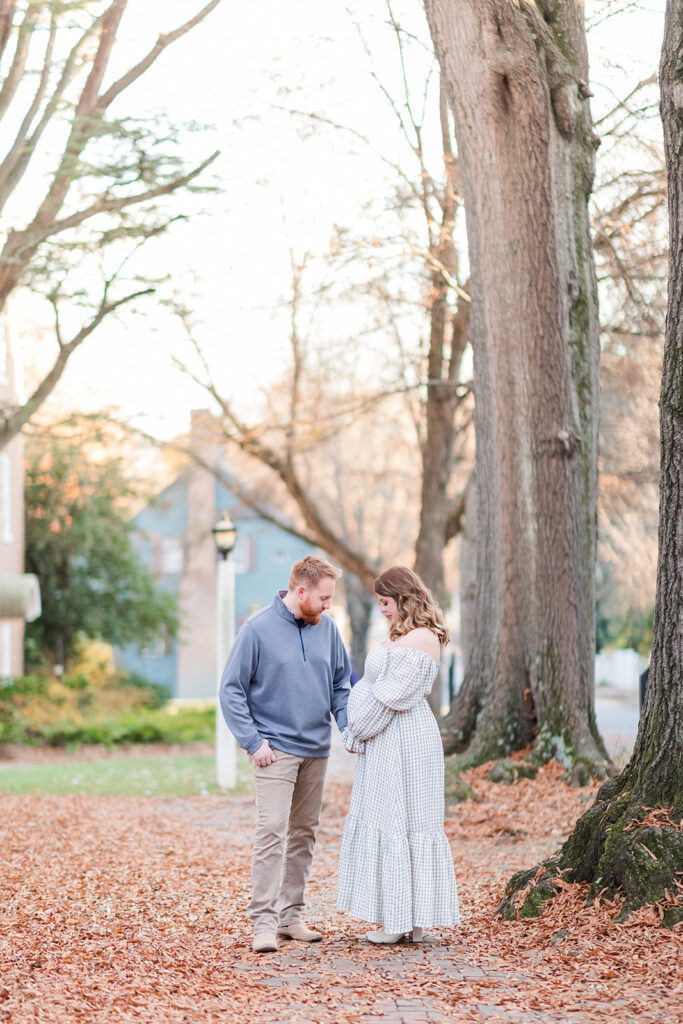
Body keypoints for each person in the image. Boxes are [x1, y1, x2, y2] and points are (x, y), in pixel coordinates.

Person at [220, 555, 351, 954]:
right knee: (271, 831)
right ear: (301, 591)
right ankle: (263, 921)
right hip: (274, 751)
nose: (328, 604)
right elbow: (231, 690)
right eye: (323, 597)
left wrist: (349, 728)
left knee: (304, 834)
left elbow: (341, 684)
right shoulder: (256, 630)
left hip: (317, 749)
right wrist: (253, 742)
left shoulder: (327, 629)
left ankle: (290, 917)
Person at [336, 566, 459, 943]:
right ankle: (407, 918)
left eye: (385, 602)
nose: (383, 610)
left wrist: (355, 729)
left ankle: (402, 922)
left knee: (404, 819)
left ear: (403, 598)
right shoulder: (408, 636)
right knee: (400, 820)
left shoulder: (421, 639)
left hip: (403, 739)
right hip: (393, 738)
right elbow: (378, 692)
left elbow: (389, 698)